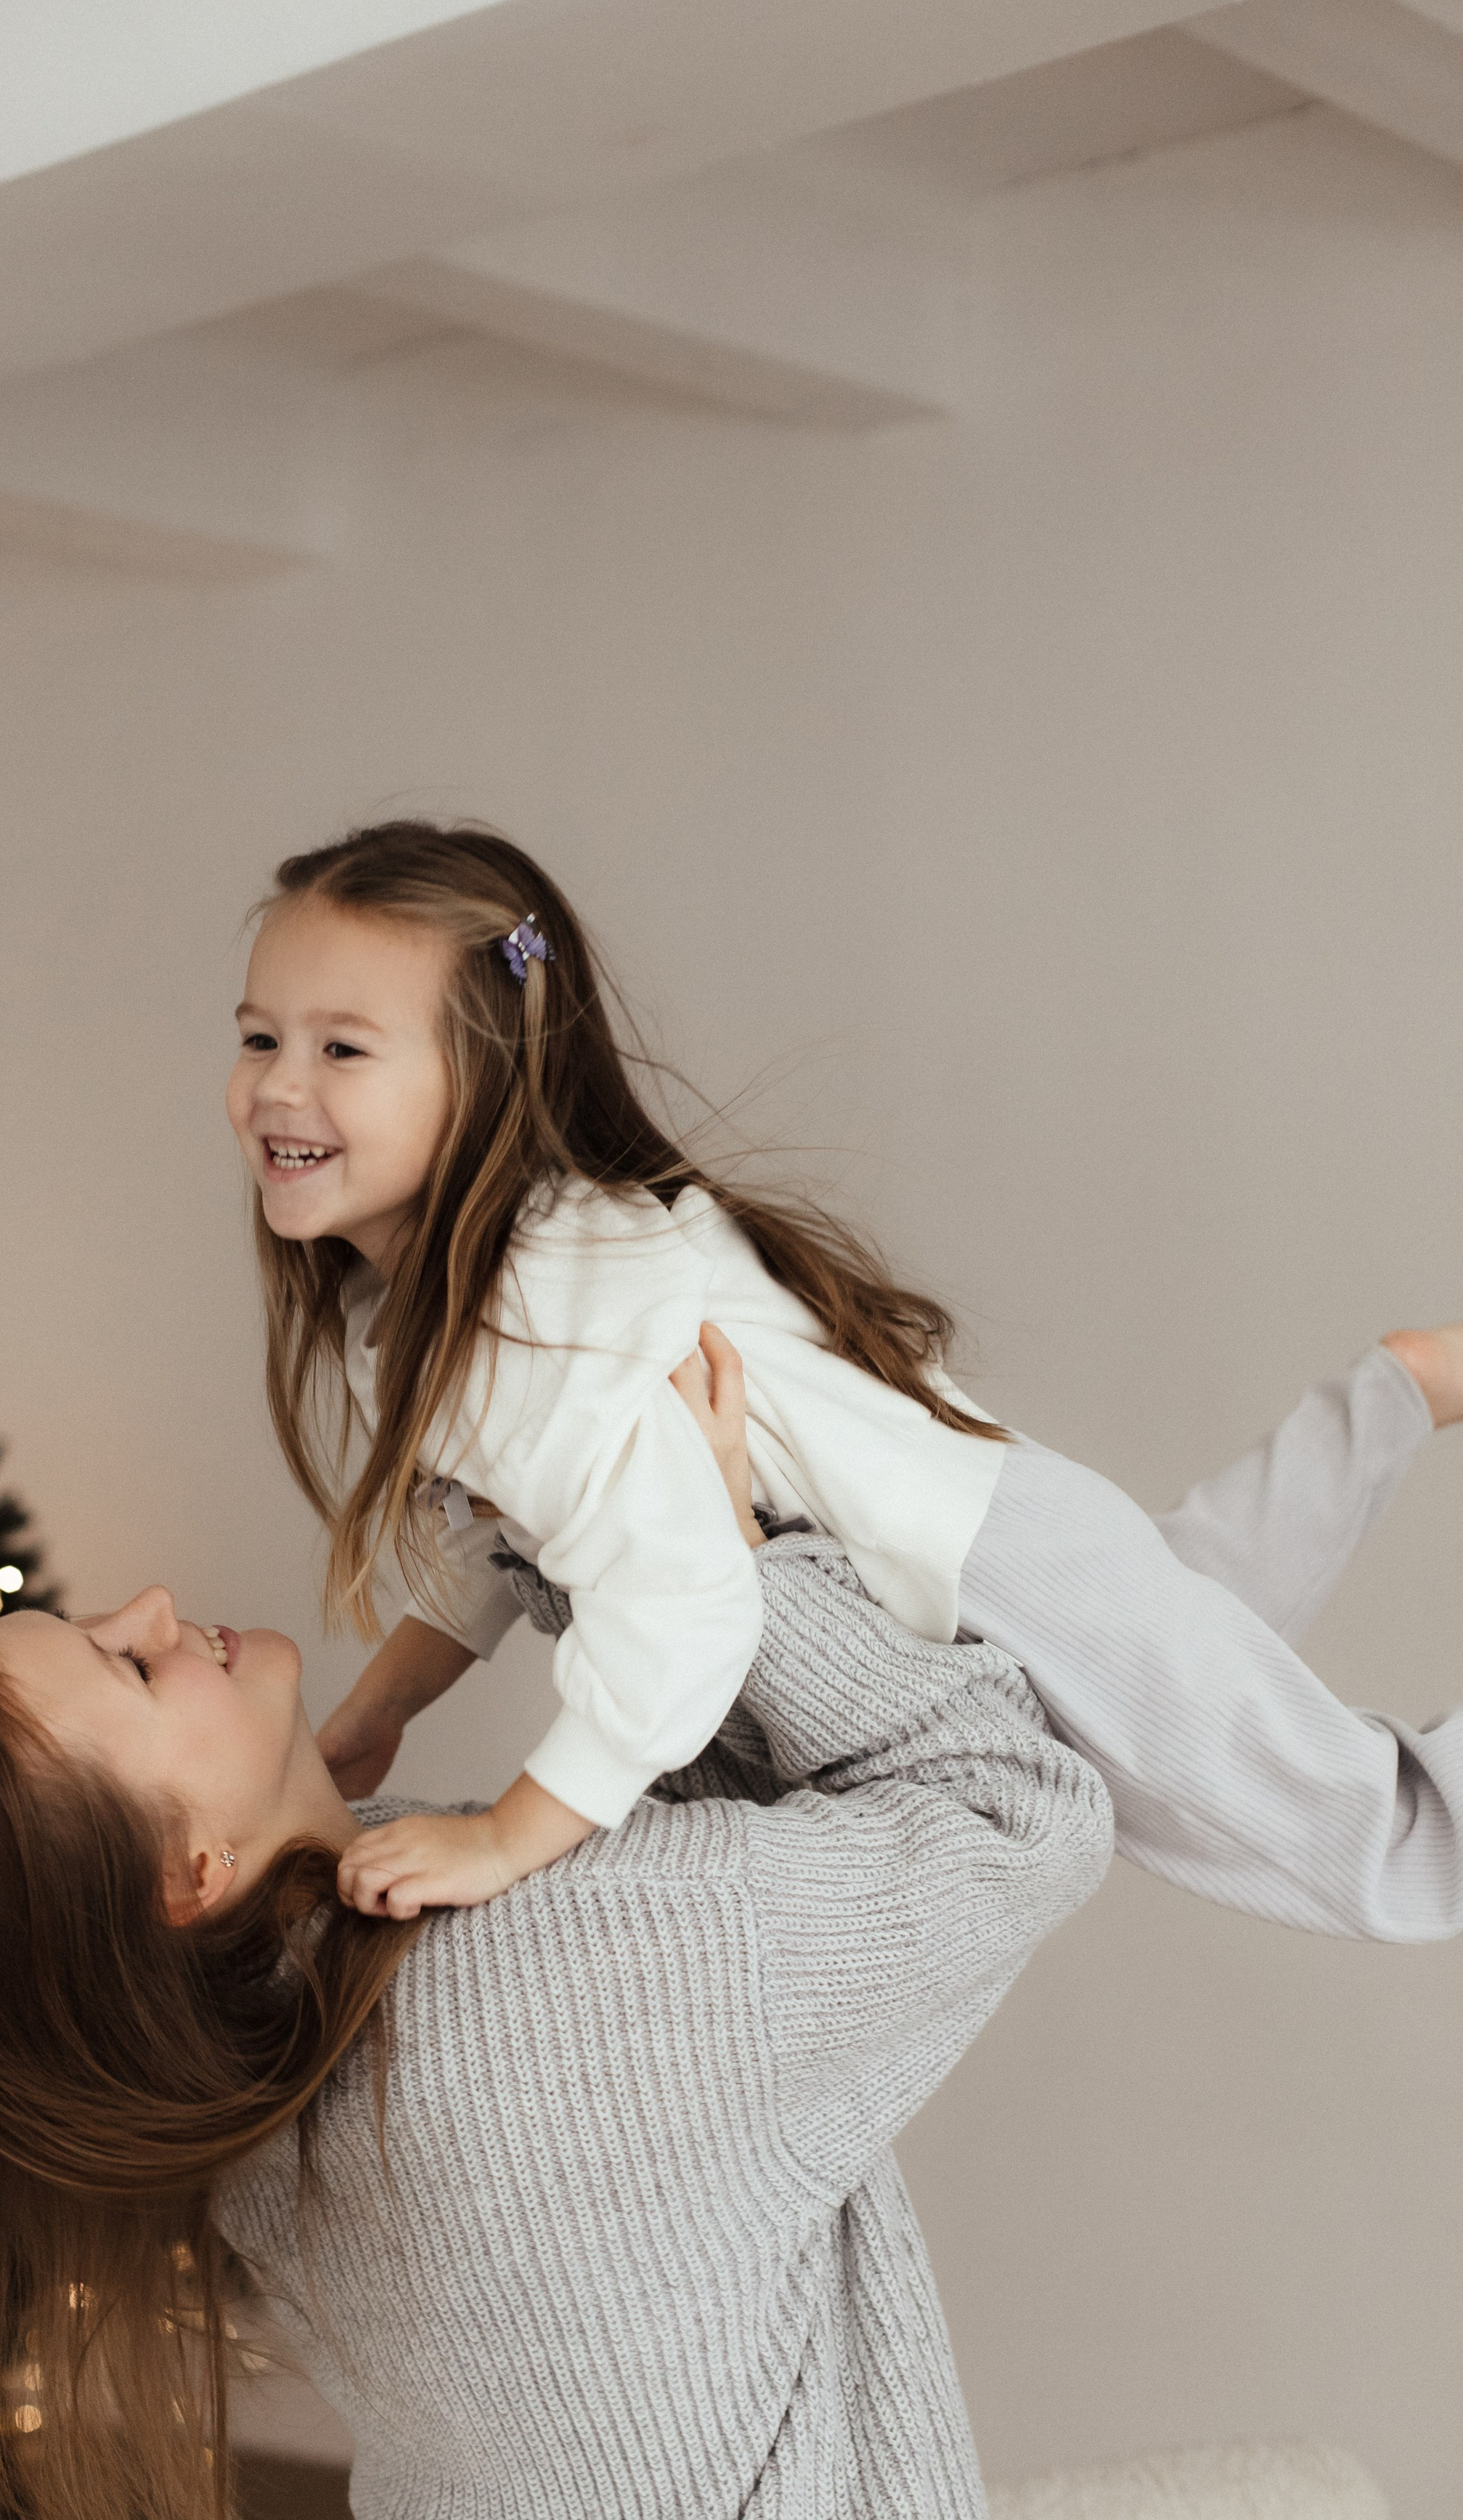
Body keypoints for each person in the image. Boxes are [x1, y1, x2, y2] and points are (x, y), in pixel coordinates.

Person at [0, 1333, 1113, 2520]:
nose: (156, 1605)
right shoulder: (529, 1992)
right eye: (125, 1668)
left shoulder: (262, 2072)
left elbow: (716, 1895)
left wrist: (630, 1559)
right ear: (185, 1876)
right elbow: (1012, 1810)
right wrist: (723, 1566)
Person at [229, 819, 1462, 1937]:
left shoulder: (536, 1319)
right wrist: (381, 1710)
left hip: (994, 1572)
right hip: (992, 1551)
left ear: (490, 1081)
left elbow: (682, 1610)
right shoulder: (423, 1300)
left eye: (343, 1047)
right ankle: (1401, 1388)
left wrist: (511, 1834)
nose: (281, 1085)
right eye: (260, 1037)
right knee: (1196, 1614)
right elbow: (500, 1531)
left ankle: (1402, 1389)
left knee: (1395, 1846)